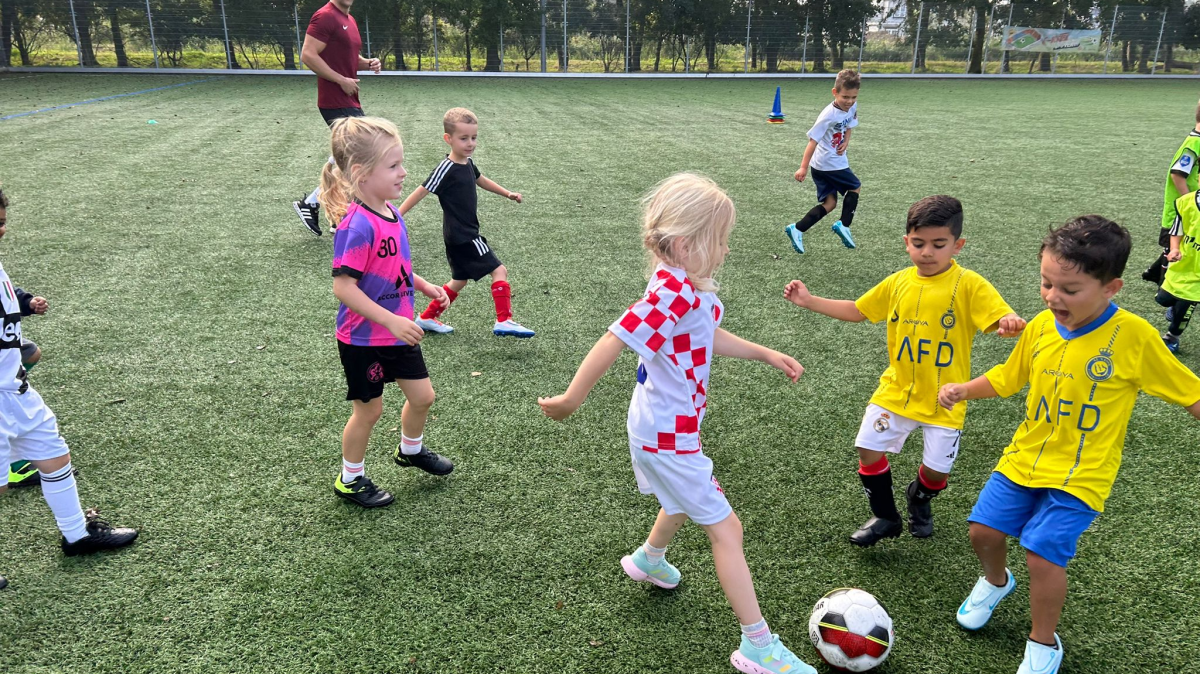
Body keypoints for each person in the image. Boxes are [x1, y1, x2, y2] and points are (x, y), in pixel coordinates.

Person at [539, 173, 815, 674]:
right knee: (728, 530)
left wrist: (766, 353)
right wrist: (570, 399)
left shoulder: (680, 284)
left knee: (683, 499)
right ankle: (758, 645)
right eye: (722, 241)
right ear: (686, 243)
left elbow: (704, 333)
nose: (727, 250)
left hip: (662, 426)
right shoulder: (673, 293)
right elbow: (614, 338)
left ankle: (649, 559)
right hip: (668, 435)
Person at [940, 215, 1200, 674]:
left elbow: (1191, 393)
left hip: (1084, 470)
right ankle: (996, 582)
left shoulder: (1135, 337)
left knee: (1041, 552)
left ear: (1112, 287)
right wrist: (965, 388)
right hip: (1025, 455)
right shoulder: (1041, 326)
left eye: (1069, 289)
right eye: (1045, 283)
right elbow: (1008, 377)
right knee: (982, 531)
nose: (1052, 297)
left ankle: (1043, 643)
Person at [784, 196, 1024, 546]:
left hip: (946, 398)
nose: (927, 251)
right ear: (906, 242)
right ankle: (885, 516)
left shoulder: (970, 285)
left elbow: (1002, 318)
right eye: (918, 243)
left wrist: (1009, 322)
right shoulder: (898, 282)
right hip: (896, 391)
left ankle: (919, 498)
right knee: (867, 448)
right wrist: (810, 300)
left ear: (958, 245)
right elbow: (859, 310)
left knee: (937, 474)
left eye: (938, 244)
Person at [1, 189, 139, 591]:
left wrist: (25, 303)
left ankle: (77, 534)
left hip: (16, 390)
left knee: (55, 455)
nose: (2, 229)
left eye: (3, 221)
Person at [323, 116, 455, 508]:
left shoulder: (392, 214)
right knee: (369, 411)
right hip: (364, 338)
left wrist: (423, 284)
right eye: (394, 166)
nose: (404, 173)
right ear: (362, 174)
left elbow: (392, 265)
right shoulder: (356, 226)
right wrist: (391, 319)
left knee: (423, 397)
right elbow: (343, 285)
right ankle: (350, 479)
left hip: (398, 332)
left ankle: (410, 450)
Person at [401, 108, 534, 338]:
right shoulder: (446, 168)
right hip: (465, 235)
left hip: (457, 236)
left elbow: (482, 181)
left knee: (459, 280)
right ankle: (504, 320)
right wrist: (396, 215)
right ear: (448, 139)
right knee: (499, 270)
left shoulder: (468, 164)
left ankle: (427, 317)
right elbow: (421, 191)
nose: (470, 143)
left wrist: (507, 193)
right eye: (464, 138)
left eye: (474, 137)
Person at [292, 0, 382, 237]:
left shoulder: (349, 19)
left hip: (349, 98)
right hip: (334, 100)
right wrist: (340, 80)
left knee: (351, 156)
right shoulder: (325, 16)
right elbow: (308, 55)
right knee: (362, 151)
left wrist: (368, 62)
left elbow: (350, 58)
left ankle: (334, 212)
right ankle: (320, 206)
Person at [784, 69, 862, 254]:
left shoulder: (852, 106)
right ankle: (844, 224)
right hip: (830, 164)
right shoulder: (828, 115)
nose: (849, 101)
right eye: (845, 97)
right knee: (855, 186)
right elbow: (813, 141)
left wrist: (846, 141)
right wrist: (803, 167)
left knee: (830, 204)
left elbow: (850, 125)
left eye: (853, 97)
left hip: (823, 165)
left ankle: (797, 229)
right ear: (835, 92)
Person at [1145, 101, 1200, 285]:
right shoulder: (1195, 142)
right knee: (1174, 245)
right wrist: (1188, 201)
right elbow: (1177, 174)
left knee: (1181, 243)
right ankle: (1164, 287)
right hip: (1181, 208)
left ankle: (1152, 273)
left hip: (1189, 206)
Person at [1157, 189, 1200, 352]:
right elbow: (1176, 231)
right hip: (1183, 264)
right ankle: (1174, 308)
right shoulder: (1186, 202)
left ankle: (1172, 337)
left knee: (1186, 306)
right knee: (1163, 299)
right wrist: (1174, 249)